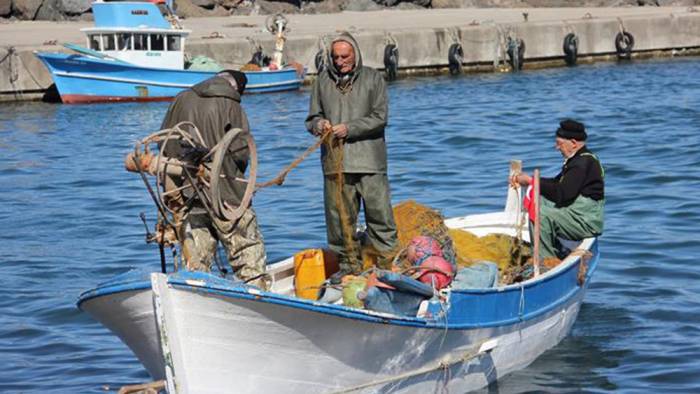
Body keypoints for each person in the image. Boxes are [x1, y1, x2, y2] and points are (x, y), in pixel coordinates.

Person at [160, 70, 268, 289]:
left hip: (187, 194)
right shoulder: (230, 104)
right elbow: (240, 151)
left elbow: (165, 142)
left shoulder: (180, 99)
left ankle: (196, 303)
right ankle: (258, 300)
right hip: (225, 195)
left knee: (196, 264)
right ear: (236, 89)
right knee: (247, 255)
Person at [305, 32, 398, 276]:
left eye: (344, 56)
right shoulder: (321, 82)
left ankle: (386, 266)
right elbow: (311, 118)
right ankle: (349, 270)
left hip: (370, 162)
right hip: (335, 165)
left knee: (380, 217)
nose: (339, 61)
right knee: (340, 223)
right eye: (335, 57)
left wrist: (349, 128)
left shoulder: (373, 78)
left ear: (355, 54)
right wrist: (319, 125)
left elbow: (380, 118)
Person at [511, 119, 604, 259]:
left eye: (559, 144)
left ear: (573, 143)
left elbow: (563, 193)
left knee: (539, 214)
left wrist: (531, 181)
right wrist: (531, 181)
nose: (556, 147)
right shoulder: (579, 159)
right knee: (539, 200)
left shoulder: (582, 164)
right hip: (576, 213)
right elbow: (556, 183)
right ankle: (555, 246)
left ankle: (545, 260)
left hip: (585, 221)